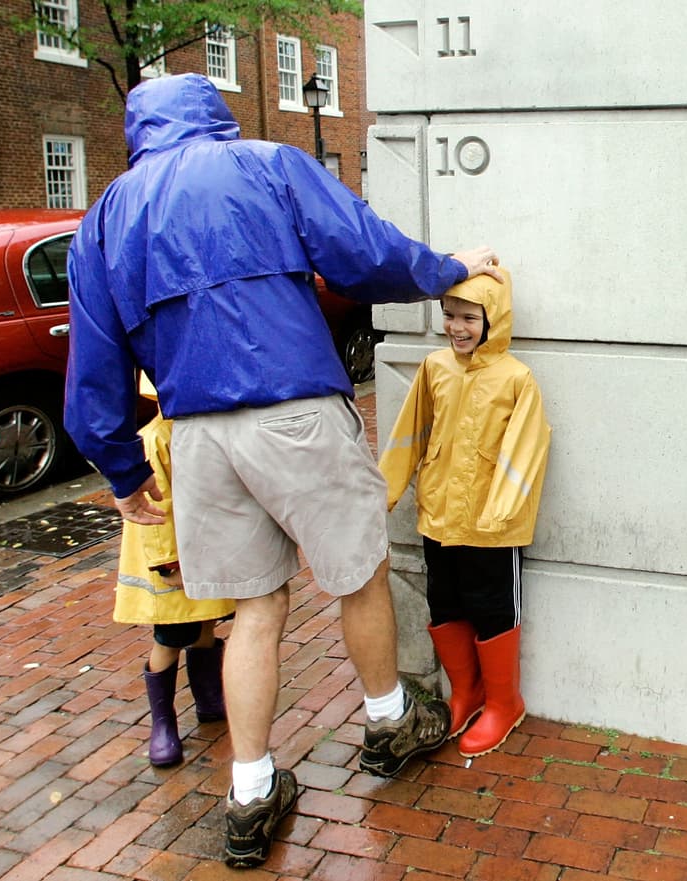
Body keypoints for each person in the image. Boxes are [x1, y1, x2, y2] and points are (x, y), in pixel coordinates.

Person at [63, 72, 504, 870]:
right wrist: (444, 269)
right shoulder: (267, 164)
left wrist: (124, 470)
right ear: (214, 116)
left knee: (254, 609)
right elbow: (362, 253)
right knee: (358, 574)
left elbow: (92, 366)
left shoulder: (106, 217)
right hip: (294, 405)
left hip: (196, 430)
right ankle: (388, 718)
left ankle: (251, 789)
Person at [378, 269, 551, 757]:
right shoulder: (435, 367)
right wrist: (385, 492)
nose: (457, 327)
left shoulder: (515, 378)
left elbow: (527, 448)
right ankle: (466, 692)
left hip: (491, 526)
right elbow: (409, 433)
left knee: (493, 609)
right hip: (439, 515)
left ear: (492, 319)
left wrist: (500, 511)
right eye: (449, 315)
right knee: (445, 601)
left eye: (469, 317)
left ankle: (503, 702)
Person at [115, 375, 235, 768]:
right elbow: (158, 513)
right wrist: (169, 563)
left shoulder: (194, 429)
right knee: (169, 636)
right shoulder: (157, 438)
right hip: (173, 561)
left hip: (200, 551)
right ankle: (162, 724)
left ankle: (208, 699)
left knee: (204, 625)